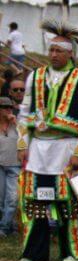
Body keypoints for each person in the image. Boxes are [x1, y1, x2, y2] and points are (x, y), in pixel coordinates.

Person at [15, 21, 78, 261]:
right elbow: (23, 113)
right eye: (51, 50)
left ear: (70, 53)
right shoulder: (35, 76)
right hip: (38, 150)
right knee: (35, 202)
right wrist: (22, 144)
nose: (53, 55)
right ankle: (33, 253)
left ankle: (74, 251)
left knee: (70, 204)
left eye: (58, 51)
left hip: (66, 148)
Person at [0, 97, 20, 236]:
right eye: (5, 107)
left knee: (12, 198)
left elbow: (27, 139)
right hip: (0, 165)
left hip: (14, 165)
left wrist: (16, 123)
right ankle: (11, 227)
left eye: (10, 107)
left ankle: (3, 228)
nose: (9, 110)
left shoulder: (17, 124)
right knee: (1, 199)